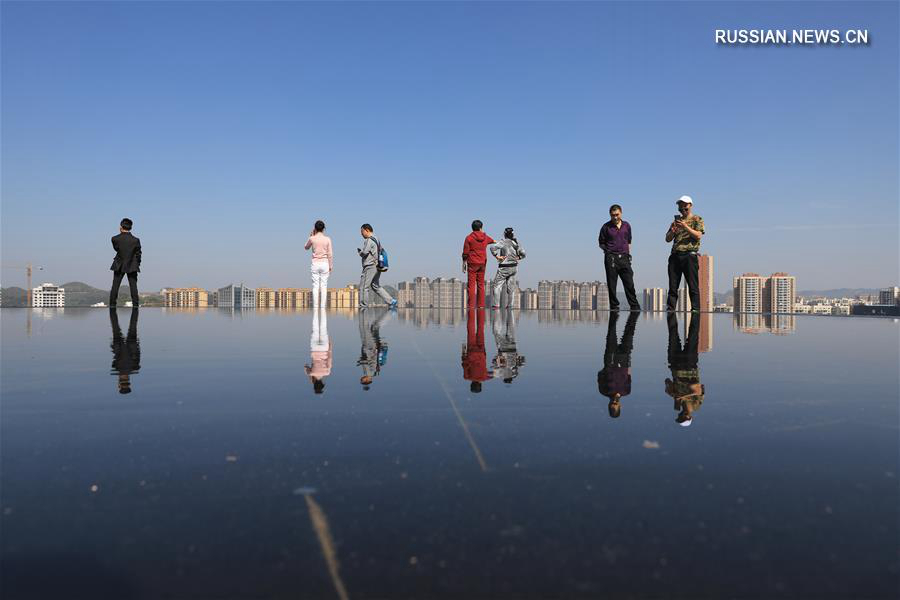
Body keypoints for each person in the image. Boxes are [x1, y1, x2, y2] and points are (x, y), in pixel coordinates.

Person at [665, 195, 705, 312]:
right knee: (673, 286)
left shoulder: (697, 219)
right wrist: (673, 232)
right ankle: (670, 309)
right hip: (675, 255)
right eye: (680, 208)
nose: (683, 210)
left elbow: (698, 235)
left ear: (690, 206)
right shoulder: (675, 222)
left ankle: (695, 310)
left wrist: (685, 226)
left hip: (690, 255)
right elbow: (667, 239)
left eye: (685, 208)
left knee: (693, 285)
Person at [665, 312, 704, 426]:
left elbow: (667, 381)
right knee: (693, 335)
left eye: (680, 417)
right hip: (690, 366)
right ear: (689, 417)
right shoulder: (697, 405)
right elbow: (697, 387)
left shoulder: (677, 405)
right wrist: (683, 395)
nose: (682, 415)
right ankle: (695, 314)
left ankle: (671, 312)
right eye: (684, 417)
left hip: (675, 365)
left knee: (672, 334)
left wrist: (670, 391)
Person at [599, 204, 640, 311]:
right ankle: (614, 306)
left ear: (621, 213)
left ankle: (634, 306)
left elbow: (629, 241)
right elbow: (601, 242)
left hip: (624, 258)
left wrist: (627, 254)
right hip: (611, 258)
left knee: (629, 283)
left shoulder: (627, 225)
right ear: (610, 215)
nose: (615, 217)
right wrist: (608, 251)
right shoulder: (605, 227)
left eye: (617, 214)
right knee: (612, 284)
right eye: (613, 215)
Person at [597, 311, 638, 418]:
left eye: (612, 404)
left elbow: (600, 376)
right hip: (624, 360)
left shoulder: (604, 391)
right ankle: (633, 315)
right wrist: (627, 365)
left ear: (609, 405)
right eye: (616, 404)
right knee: (630, 333)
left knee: (611, 333)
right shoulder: (626, 391)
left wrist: (607, 368)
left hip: (611, 360)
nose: (614, 402)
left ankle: (614, 313)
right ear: (620, 406)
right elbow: (629, 377)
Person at [357, 224, 397, 309]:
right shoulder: (376, 239)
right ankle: (391, 301)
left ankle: (363, 305)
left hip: (370, 266)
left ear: (367, 230)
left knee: (364, 286)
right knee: (375, 285)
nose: (361, 234)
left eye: (362, 231)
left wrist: (360, 252)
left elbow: (365, 253)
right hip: (378, 265)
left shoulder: (369, 240)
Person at [490, 227, 526, 309]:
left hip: (504, 267)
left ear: (504, 234)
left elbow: (492, 248)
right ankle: (510, 305)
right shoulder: (516, 243)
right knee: (511, 287)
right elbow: (523, 253)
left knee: (497, 286)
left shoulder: (503, 242)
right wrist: (519, 257)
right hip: (514, 267)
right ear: (513, 234)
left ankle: (496, 305)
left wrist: (497, 257)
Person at [462, 220, 495, 309]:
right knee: (481, 284)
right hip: (482, 263)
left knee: (471, 285)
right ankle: (481, 305)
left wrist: (464, 262)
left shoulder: (468, 238)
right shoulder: (485, 237)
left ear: (472, 228)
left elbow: (465, 252)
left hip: (472, 263)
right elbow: (493, 241)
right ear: (481, 228)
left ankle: (471, 305)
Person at [109, 218, 142, 307]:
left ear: (121, 226)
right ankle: (135, 305)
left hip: (119, 264)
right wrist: (137, 263)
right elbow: (138, 254)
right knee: (133, 286)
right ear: (131, 227)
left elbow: (117, 249)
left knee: (115, 286)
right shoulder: (135, 240)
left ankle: (112, 305)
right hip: (132, 265)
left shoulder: (115, 239)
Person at [109, 307, 140, 394]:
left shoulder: (135, 368)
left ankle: (135, 308)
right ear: (119, 384)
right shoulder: (115, 368)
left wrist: (137, 344)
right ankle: (113, 310)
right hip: (118, 345)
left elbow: (137, 354)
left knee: (133, 324)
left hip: (132, 345)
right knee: (115, 326)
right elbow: (115, 357)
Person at [358, 308, 391, 389]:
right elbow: (369, 360)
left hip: (370, 348)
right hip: (369, 348)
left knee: (371, 328)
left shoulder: (372, 372)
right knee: (364, 328)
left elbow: (370, 361)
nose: (361, 379)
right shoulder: (369, 372)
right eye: (362, 381)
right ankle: (364, 312)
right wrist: (361, 361)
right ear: (367, 380)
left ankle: (388, 314)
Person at [461, 308, 492, 393]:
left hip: (481, 351)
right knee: (471, 330)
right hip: (471, 351)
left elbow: (492, 375)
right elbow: (464, 364)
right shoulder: (467, 377)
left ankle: (480, 314)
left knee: (480, 329)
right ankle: (471, 313)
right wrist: (463, 351)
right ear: (471, 384)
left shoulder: (484, 377)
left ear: (480, 384)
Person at [491, 308, 525, 384]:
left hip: (512, 347)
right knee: (496, 332)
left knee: (510, 328)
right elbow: (494, 360)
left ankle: (507, 313)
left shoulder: (515, 368)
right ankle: (498, 313)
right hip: (503, 348)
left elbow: (523, 359)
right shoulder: (500, 369)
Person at [304, 220, 333, 309]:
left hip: (315, 264)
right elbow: (330, 254)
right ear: (324, 229)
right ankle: (323, 306)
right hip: (325, 264)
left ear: (315, 228)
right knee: (324, 286)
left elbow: (306, 247)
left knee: (315, 286)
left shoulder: (312, 238)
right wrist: (330, 265)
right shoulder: (328, 239)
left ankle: (316, 306)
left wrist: (311, 236)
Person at [305, 309, 332, 394]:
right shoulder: (312, 373)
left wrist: (330, 346)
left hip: (324, 348)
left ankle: (323, 309)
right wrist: (311, 378)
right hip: (314, 348)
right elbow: (305, 366)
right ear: (314, 384)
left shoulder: (327, 372)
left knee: (323, 328)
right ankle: (316, 310)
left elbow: (330, 358)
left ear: (323, 383)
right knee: (315, 328)